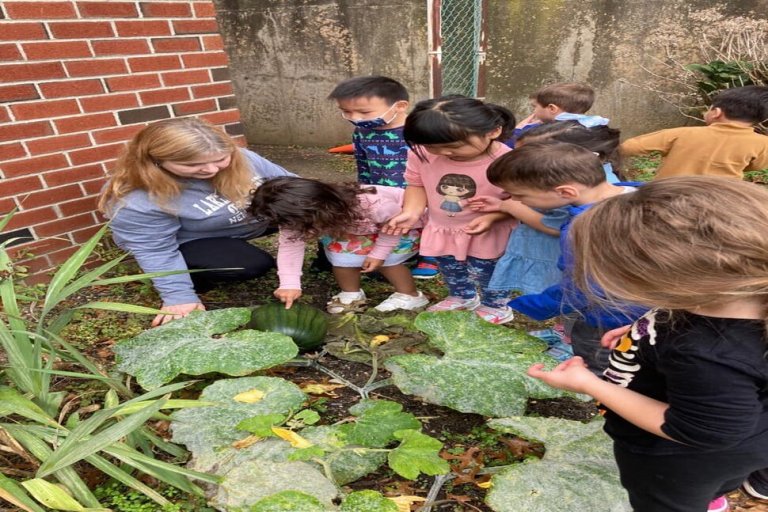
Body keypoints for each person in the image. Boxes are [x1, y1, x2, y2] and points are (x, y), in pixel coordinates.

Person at [527, 177, 768, 512]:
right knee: (721, 475)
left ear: (677, 283)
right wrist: (645, 330)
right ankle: (715, 493)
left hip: (676, 459)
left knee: (670, 501)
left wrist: (589, 383)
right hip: (747, 439)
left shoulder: (705, 355)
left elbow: (699, 431)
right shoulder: (738, 297)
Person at [98, 118, 296, 326]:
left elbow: (294, 186)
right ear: (155, 161)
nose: (211, 170)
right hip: (194, 240)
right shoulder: (134, 199)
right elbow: (155, 250)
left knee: (317, 209)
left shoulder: (243, 158)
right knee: (249, 265)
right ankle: (196, 276)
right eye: (192, 164)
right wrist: (179, 297)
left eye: (220, 159)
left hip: (246, 221)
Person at [486, 142, 645, 370]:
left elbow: (584, 284)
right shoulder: (642, 195)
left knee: (604, 363)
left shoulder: (587, 226)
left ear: (566, 192)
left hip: (610, 315)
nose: (517, 201)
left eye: (520, 195)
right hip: (657, 311)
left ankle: (606, 395)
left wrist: (538, 305)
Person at [384, 95, 517, 324]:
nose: (443, 153)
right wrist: (412, 212)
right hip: (442, 225)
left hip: (488, 229)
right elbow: (416, 183)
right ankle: (462, 296)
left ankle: (496, 305)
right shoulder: (422, 154)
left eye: (453, 147)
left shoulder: (508, 160)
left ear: (493, 132)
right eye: (432, 147)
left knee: (488, 270)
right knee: (450, 266)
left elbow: (522, 199)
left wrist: (496, 215)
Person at [249, 177, 429, 313]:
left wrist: (379, 254)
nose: (293, 229)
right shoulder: (294, 217)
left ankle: (409, 295)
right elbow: (290, 247)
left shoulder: (375, 206)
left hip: (399, 229)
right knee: (340, 256)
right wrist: (289, 283)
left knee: (389, 261)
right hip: (355, 229)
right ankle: (351, 293)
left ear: (322, 210)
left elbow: (393, 228)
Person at [328, 75, 440, 279]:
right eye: (346, 111)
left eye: (364, 112)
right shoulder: (362, 131)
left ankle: (430, 255)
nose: (356, 117)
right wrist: (364, 188)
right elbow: (362, 161)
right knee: (390, 221)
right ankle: (394, 251)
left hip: (419, 189)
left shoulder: (419, 132)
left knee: (428, 218)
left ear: (399, 106)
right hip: (380, 187)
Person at [619, 85, 768, 180]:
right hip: (721, 199)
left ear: (716, 112)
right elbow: (756, 166)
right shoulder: (762, 143)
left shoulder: (682, 134)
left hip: (667, 195)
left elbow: (629, 147)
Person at [504, 82, 609, 148]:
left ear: (552, 108)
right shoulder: (594, 126)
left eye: (534, 107)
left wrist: (518, 129)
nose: (534, 111)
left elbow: (507, 147)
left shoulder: (537, 132)